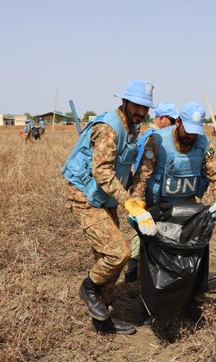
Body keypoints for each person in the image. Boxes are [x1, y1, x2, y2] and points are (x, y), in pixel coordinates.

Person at [61, 78, 157, 335]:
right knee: (118, 252)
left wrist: (135, 197)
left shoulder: (131, 127)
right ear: (124, 102)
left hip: (105, 198)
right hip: (84, 197)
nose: (141, 112)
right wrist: (129, 203)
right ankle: (89, 288)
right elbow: (102, 173)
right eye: (137, 106)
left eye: (145, 108)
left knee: (105, 256)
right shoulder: (109, 128)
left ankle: (103, 318)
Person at [130, 101, 216, 323]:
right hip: (159, 207)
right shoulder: (158, 141)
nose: (191, 137)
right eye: (188, 131)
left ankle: (187, 300)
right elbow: (142, 177)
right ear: (179, 122)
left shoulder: (203, 144)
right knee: (151, 256)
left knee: (189, 255)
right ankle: (147, 305)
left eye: (196, 133)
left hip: (187, 207)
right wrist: (136, 206)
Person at [125, 102, 179, 281]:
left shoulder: (151, 134)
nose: (174, 125)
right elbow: (142, 168)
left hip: (152, 191)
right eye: (171, 120)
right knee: (142, 233)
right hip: (147, 192)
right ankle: (134, 274)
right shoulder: (154, 137)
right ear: (161, 118)